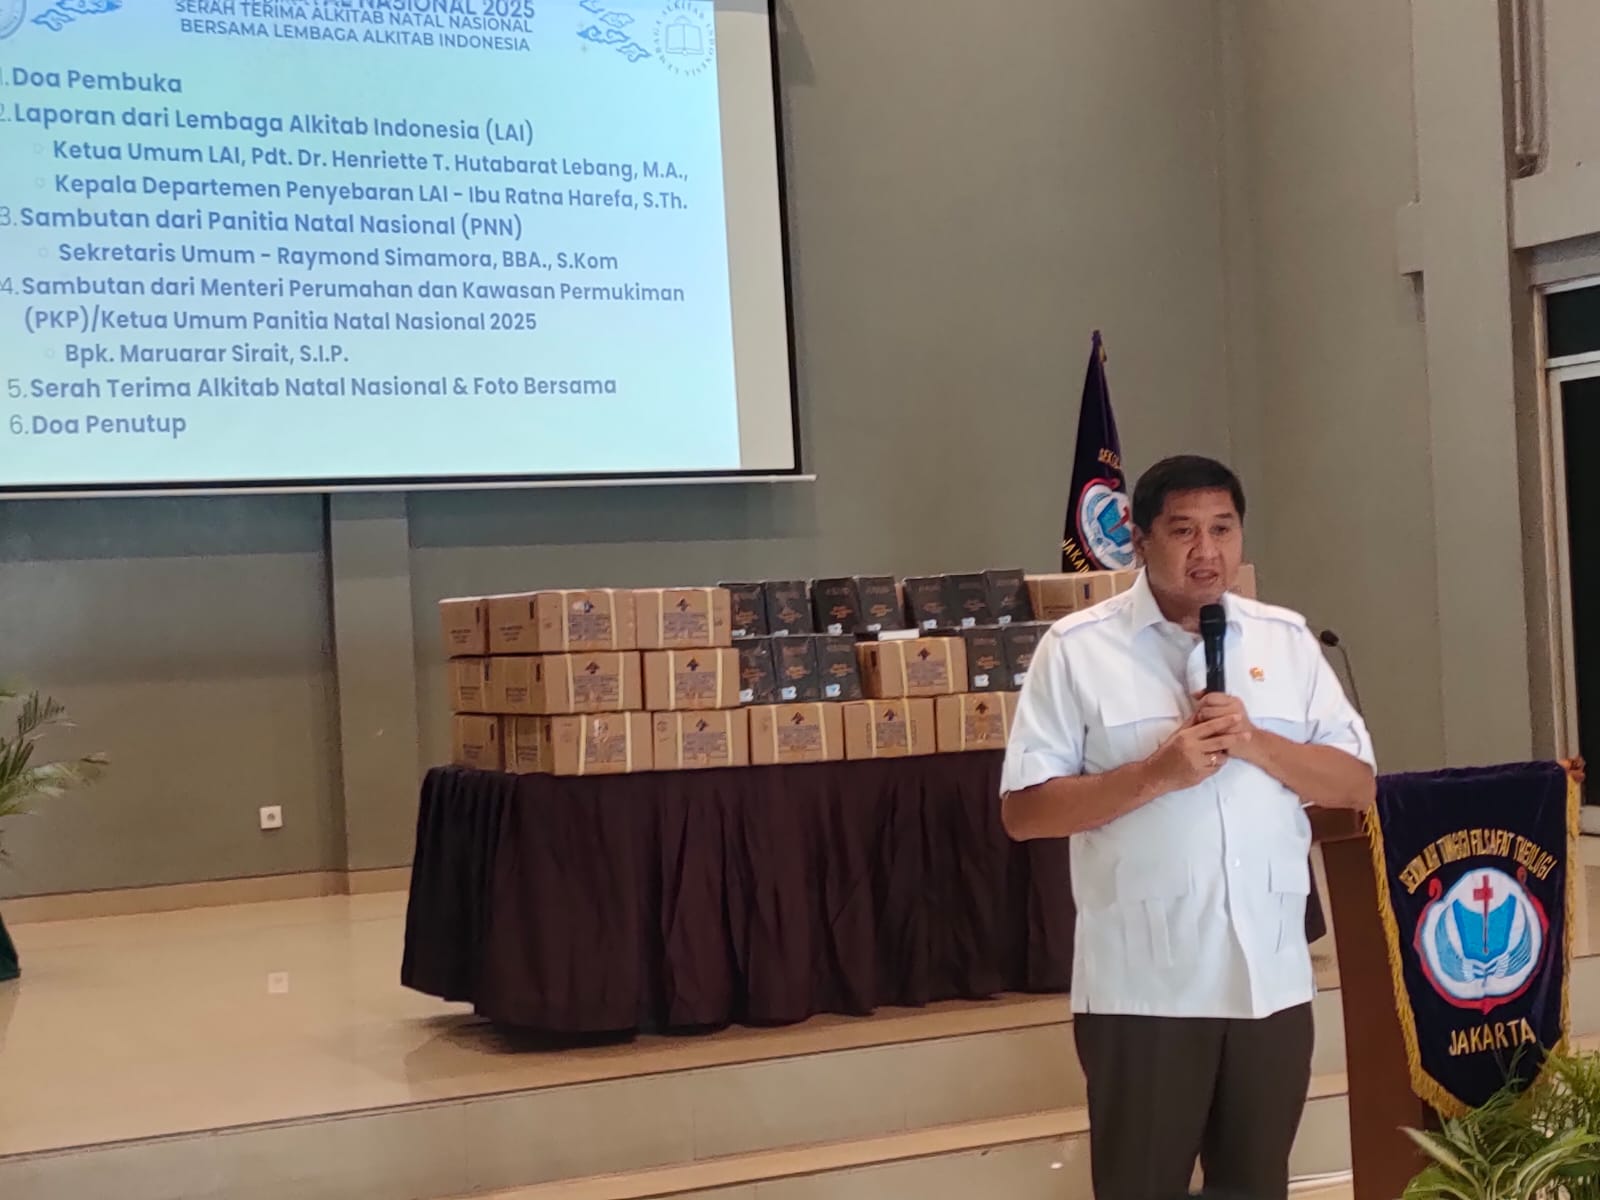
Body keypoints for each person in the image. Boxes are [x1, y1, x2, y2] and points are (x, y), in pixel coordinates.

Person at [1001, 455, 1375, 1200]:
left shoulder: (1286, 640)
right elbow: (1024, 812)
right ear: (1140, 540)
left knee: (1256, 1185)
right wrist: (1156, 774)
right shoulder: (1077, 650)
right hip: (1146, 990)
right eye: (1183, 531)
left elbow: (1357, 785)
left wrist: (1256, 741)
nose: (1207, 552)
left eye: (1223, 529)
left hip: (1269, 983)